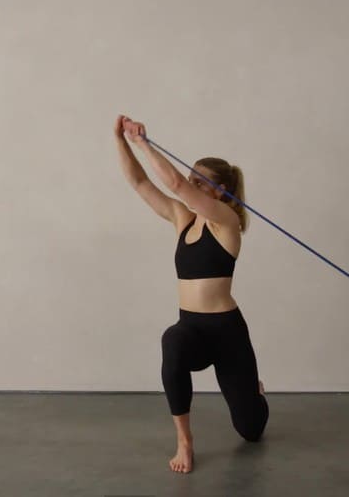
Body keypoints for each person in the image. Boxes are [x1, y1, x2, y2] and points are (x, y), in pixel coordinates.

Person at [114, 115, 269, 474]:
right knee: (173, 341)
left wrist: (142, 142)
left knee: (251, 431)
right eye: (191, 176)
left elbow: (173, 184)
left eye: (200, 182)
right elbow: (140, 182)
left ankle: (254, 395)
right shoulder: (183, 221)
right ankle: (185, 441)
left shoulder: (227, 222)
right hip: (193, 329)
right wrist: (121, 140)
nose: (189, 183)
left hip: (227, 333)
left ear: (219, 193)